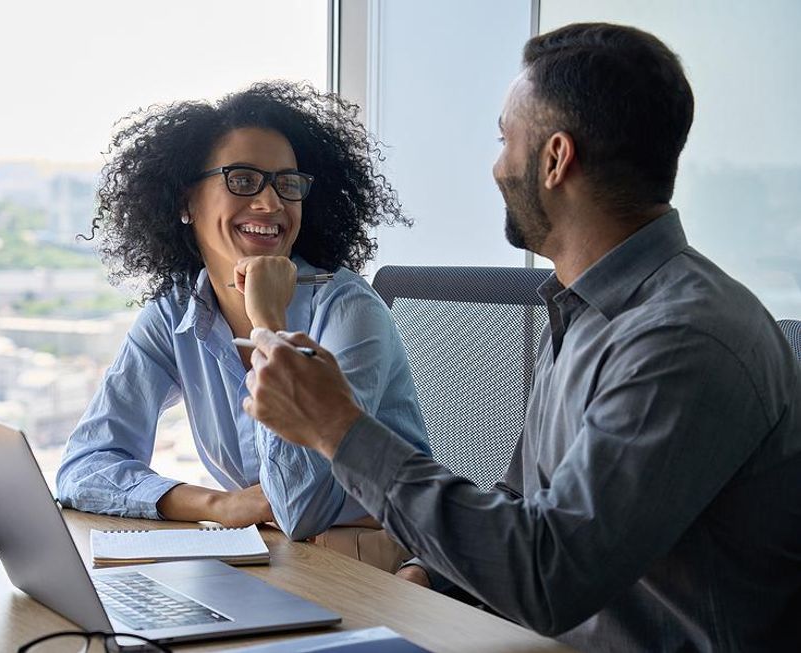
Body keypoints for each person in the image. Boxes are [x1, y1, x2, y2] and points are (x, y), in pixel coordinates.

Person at [242, 24, 801, 651]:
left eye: (506, 138)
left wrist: (336, 426)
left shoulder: (682, 341)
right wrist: (428, 578)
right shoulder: (584, 309)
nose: (496, 165)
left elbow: (550, 574)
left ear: (556, 159)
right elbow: (522, 500)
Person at [56, 81, 430, 544]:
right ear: (185, 201)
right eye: (243, 179)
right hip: (277, 556)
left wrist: (267, 323)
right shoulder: (178, 311)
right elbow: (83, 467)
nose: (270, 203)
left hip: (384, 570)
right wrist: (221, 504)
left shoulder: (347, 310)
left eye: (286, 184)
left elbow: (299, 507)